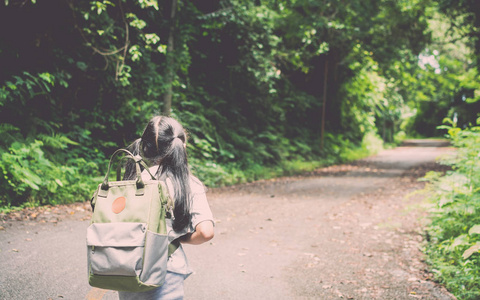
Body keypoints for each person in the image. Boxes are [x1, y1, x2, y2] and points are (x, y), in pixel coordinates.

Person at [118, 116, 215, 300]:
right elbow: (206, 232)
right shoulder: (187, 183)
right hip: (165, 269)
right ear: (182, 146)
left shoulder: (130, 179)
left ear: (143, 146)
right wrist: (182, 238)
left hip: (128, 268)